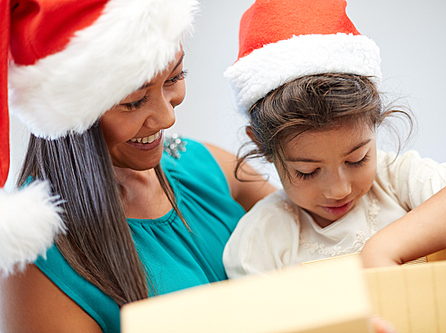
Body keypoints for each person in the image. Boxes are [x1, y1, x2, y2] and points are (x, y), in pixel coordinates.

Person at [0, 1, 274, 332]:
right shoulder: (38, 263)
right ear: (73, 113)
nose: (167, 117)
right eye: (133, 101)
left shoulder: (204, 166)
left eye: (175, 77)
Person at [222, 0, 446, 278]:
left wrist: (385, 247)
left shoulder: (392, 181)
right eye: (308, 172)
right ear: (263, 146)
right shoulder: (260, 239)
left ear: (374, 125)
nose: (339, 189)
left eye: (357, 159)